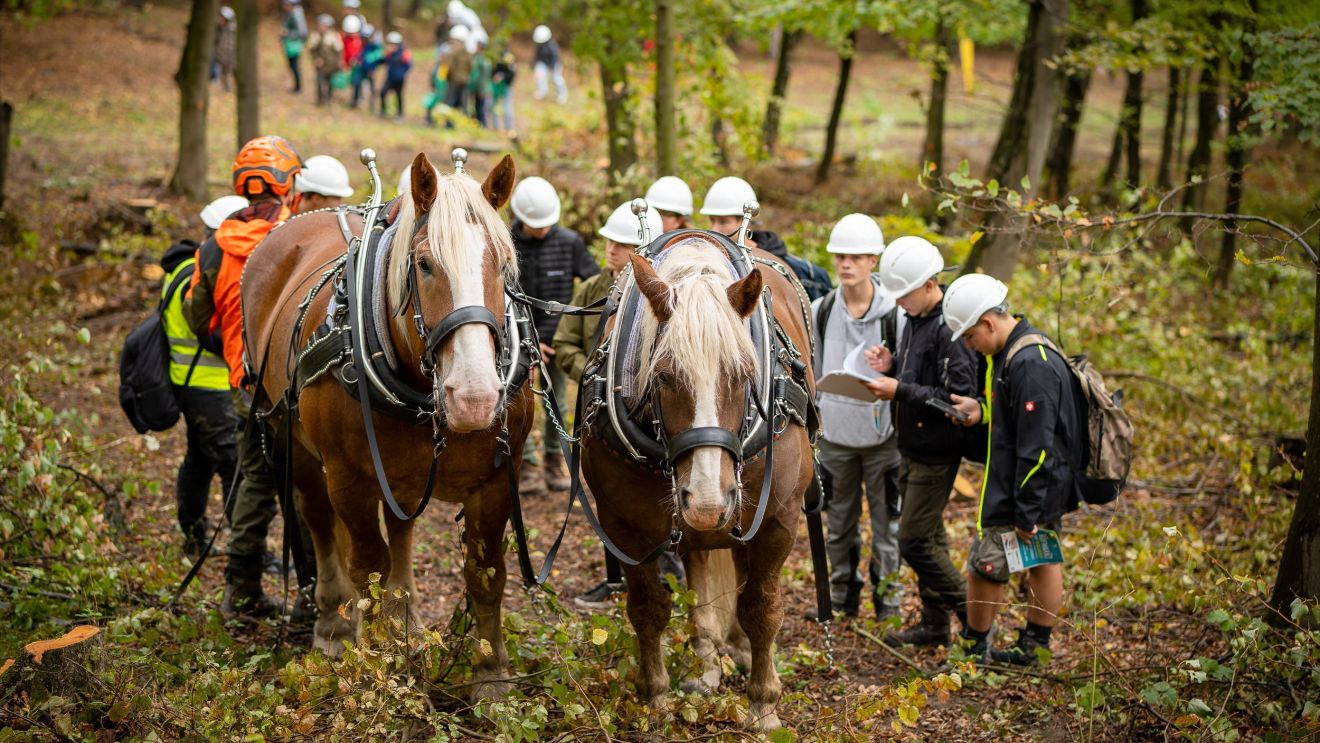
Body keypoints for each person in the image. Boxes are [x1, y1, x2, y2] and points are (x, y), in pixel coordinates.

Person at [185, 135, 314, 619]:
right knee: (305, 482)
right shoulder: (298, 239)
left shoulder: (214, 245)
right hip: (293, 385)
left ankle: (240, 590)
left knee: (256, 480)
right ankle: (311, 593)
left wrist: (237, 354)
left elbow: (199, 317)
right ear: (286, 185)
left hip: (245, 384)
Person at [942, 273, 1081, 665]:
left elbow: (1037, 446)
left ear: (988, 322)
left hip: (1025, 485)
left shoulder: (1029, 363)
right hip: (1036, 483)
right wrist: (982, 411)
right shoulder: (1013, 352)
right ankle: (1035, 646)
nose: (971, 346)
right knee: (1042, 557)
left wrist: (1026, 511)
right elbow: (1017, 418)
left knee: (985, 564)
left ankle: (974, 648)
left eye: (970, 337)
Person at [859, 236, 979, 647]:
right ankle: (934, 625)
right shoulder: (915, 319)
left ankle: (975, 618)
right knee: (930, 537)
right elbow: (921, 378)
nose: (898, 304)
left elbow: (960, 404)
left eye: (904, 294)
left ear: (931, 285)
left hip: (936, 452)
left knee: (911, 540)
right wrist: (893, 365)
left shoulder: (951, 329)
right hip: (910, 445)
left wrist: (900, 390)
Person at [806, 213, 905, 621]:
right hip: (835, 440)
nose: (846, 264)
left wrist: (892, 365)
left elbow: (911, 374)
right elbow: (809, 368)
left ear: (873, 261)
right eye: (840, 256)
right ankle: (843, 600)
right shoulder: (820, 311)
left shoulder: (896, 315)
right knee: (839, 525)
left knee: (888, 529)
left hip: (885, 441)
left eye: (856, 257)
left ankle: (888, 605)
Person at [164, 195, 247, 560]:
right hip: (206, 386)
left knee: (200, 459)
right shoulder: (197, 277)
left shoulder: (184, 268)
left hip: (193, 382)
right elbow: (208, 332)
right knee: (233, 465)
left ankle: (194, 537)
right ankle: (245, 550)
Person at [508, 176, 598, 496]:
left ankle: (551, 460)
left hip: (557, 341)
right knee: (518, 403)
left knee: (556, 403)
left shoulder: (570, 243)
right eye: (536, 225)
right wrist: (526, 339)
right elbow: (504, 295)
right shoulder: (507, 243)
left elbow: (595, 284)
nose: (543, 230)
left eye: (547, 224)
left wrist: (570, 334)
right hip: (517, 338)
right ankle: (527, 466)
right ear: (520, 217)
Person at [700, 176, 832, 300]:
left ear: (746, 220)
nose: (714, 229)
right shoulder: (705, 264)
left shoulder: (789, 269)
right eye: (712, 220)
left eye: (723, 222)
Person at [307, 14, 344, 106]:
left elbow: (339, 50)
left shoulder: (334, 36)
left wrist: (339, 62)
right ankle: (320, 100)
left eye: (324, 25)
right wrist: (316, 59)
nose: (322, 27)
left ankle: (329, 99)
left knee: (331, 83)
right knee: (319, 82)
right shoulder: (315, 36)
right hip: (320, 64)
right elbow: (311, 50)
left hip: (331, 64)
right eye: (321, 25)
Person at [379, 32, 412, 119]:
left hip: (399, 79)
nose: (392, 46)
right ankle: (383, 110)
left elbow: (408, 65)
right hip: (390, 78)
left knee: (399, 96)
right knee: (382, 93)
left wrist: (401, 74)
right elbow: (382, 62)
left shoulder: (403, 53)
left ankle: (400, 114)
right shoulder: (389, 53)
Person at [350, 23, 383, 110]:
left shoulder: (376, 47)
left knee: (371, 87)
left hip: (370, 70)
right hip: (361, 68)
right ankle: (354, 101)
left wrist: (372, 69)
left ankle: (372, 105)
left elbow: (377, 59)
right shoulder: (363, 45)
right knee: (356, 83)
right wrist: (356, 59)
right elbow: (360, 54)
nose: (364, 39)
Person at [443, 25, 472, 123]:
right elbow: (470, 67)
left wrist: (447, 78)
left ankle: (449, 123)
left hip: (454, 81)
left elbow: (450, 68)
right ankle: (462, 123)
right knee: (463, 104)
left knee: (450, 102)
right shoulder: (468, 54)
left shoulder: (453, 53)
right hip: (464, 81)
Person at [532, 25, 567, 103]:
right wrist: (535, 67)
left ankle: (562, 94)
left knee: (556, 78)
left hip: (554, 64)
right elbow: (537, 56)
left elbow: (555, 58)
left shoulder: (552, 46)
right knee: (540, 75)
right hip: (544, 63)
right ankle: (542, 91)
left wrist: (552, 69)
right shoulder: (539, 46)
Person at [280, 0, 308, 94]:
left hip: (294, 44)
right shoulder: (289, 13)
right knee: (292, 65)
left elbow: (302, 32)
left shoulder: (297, 15)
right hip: (290, 44)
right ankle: (296, 86)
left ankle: (298, 87)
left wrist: (288, 33)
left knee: (295, 66)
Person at [491, 44, 516, 132]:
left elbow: (512, 74)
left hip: (506, 86)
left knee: (506, 107)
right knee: (494, 107)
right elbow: (492, 71)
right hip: (496, 87)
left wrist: (502, 76)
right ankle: (496, 126)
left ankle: (508, 127)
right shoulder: (494, 57)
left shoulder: (509, 58)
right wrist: (494, 77)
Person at [468, 38, 493, 128]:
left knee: (480, 109)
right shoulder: (484, 60)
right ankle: (480, 126)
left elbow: (479, 77)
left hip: (480, 89)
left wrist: (473, 89)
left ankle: (483, 126)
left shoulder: (480, 61)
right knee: (478, 108)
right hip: (482, 89)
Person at [339, 14, 364, 99]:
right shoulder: (342, 38)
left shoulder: (359, 40)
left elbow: (361, 51)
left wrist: (356, 59)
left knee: (356, 81)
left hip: (356, 65)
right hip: (345, 63)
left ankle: (357, 97)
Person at [214, 6, 237, 92]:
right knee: (220, 74)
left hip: (229, 56)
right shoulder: (217, 28)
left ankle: (227, 89)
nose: (221, 20)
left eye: (223, 18)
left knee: (227, 74)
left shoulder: (232, 29)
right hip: (219, 55)